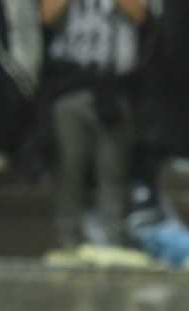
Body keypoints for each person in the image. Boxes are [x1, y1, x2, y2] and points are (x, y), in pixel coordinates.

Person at [41, 0, 147, 254]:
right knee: (69, 166)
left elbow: (139, 14)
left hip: (115, 87)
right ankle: (69, 242)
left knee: (113, 168)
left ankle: (111, 240)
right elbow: (47, 15)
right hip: (71, 86)